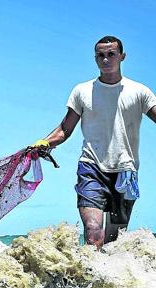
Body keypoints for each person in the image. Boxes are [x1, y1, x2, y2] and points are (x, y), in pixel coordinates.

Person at [34, 36, 156, 249]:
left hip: (126, 172)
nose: (105, 59)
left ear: (122, 57)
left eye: (111, 54)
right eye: (100, 55)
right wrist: (44, 143)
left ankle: (108, 281)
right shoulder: (82, 91)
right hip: (91, 168)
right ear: (95, 58)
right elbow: (65, 129)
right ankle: (84, 281)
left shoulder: (139, 91)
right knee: (93, 232)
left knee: (114, 241)